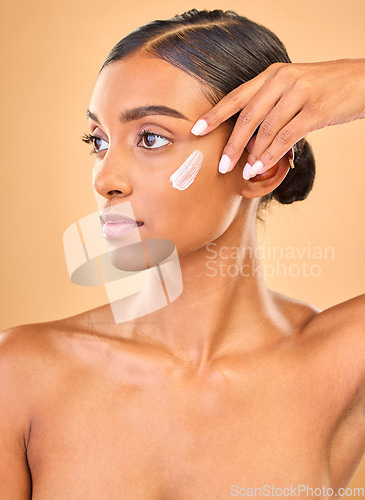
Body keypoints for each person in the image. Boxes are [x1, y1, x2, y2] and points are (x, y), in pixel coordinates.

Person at [0, 8, 364, 499]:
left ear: (261, 168)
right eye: (99, 141)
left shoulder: (342, 363)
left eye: (151, 138)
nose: (106, 179)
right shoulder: (19, 374)